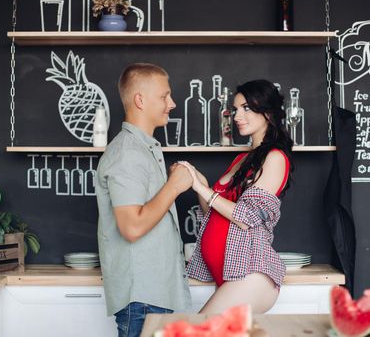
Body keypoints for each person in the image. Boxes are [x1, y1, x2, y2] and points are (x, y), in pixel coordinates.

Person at [95, 63, 192, 337]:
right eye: (164, 96)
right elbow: (132, 227)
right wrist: (173, 187)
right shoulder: (128, 153)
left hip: (154, 294)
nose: (172, 104)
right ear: (140, 100)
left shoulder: (143, 149)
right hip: (142, 300)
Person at [181, 79, 293, 314]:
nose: (237, 116)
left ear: (268, 112)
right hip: (229, 273)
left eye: (246, 108)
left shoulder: (275, 157)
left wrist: (205, 190)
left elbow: (247, 217)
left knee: (197, 330)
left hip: (252, 274)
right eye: (235, 109)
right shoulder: (241, 160)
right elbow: (212, 213)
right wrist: (199, 182)